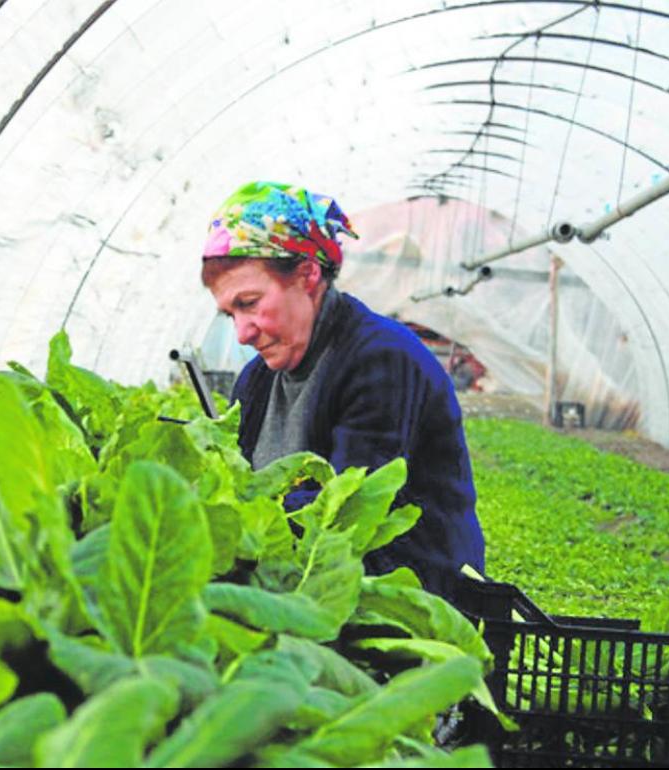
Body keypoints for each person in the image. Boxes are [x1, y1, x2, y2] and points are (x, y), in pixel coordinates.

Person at [200, 181, 485, 599]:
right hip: (312, 592)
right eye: (230, 314)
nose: (242, 334)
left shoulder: (381, 360)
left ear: (307, 275)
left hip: (405, 603)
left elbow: (349, 515)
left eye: (250, 303)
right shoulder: (258, 379)